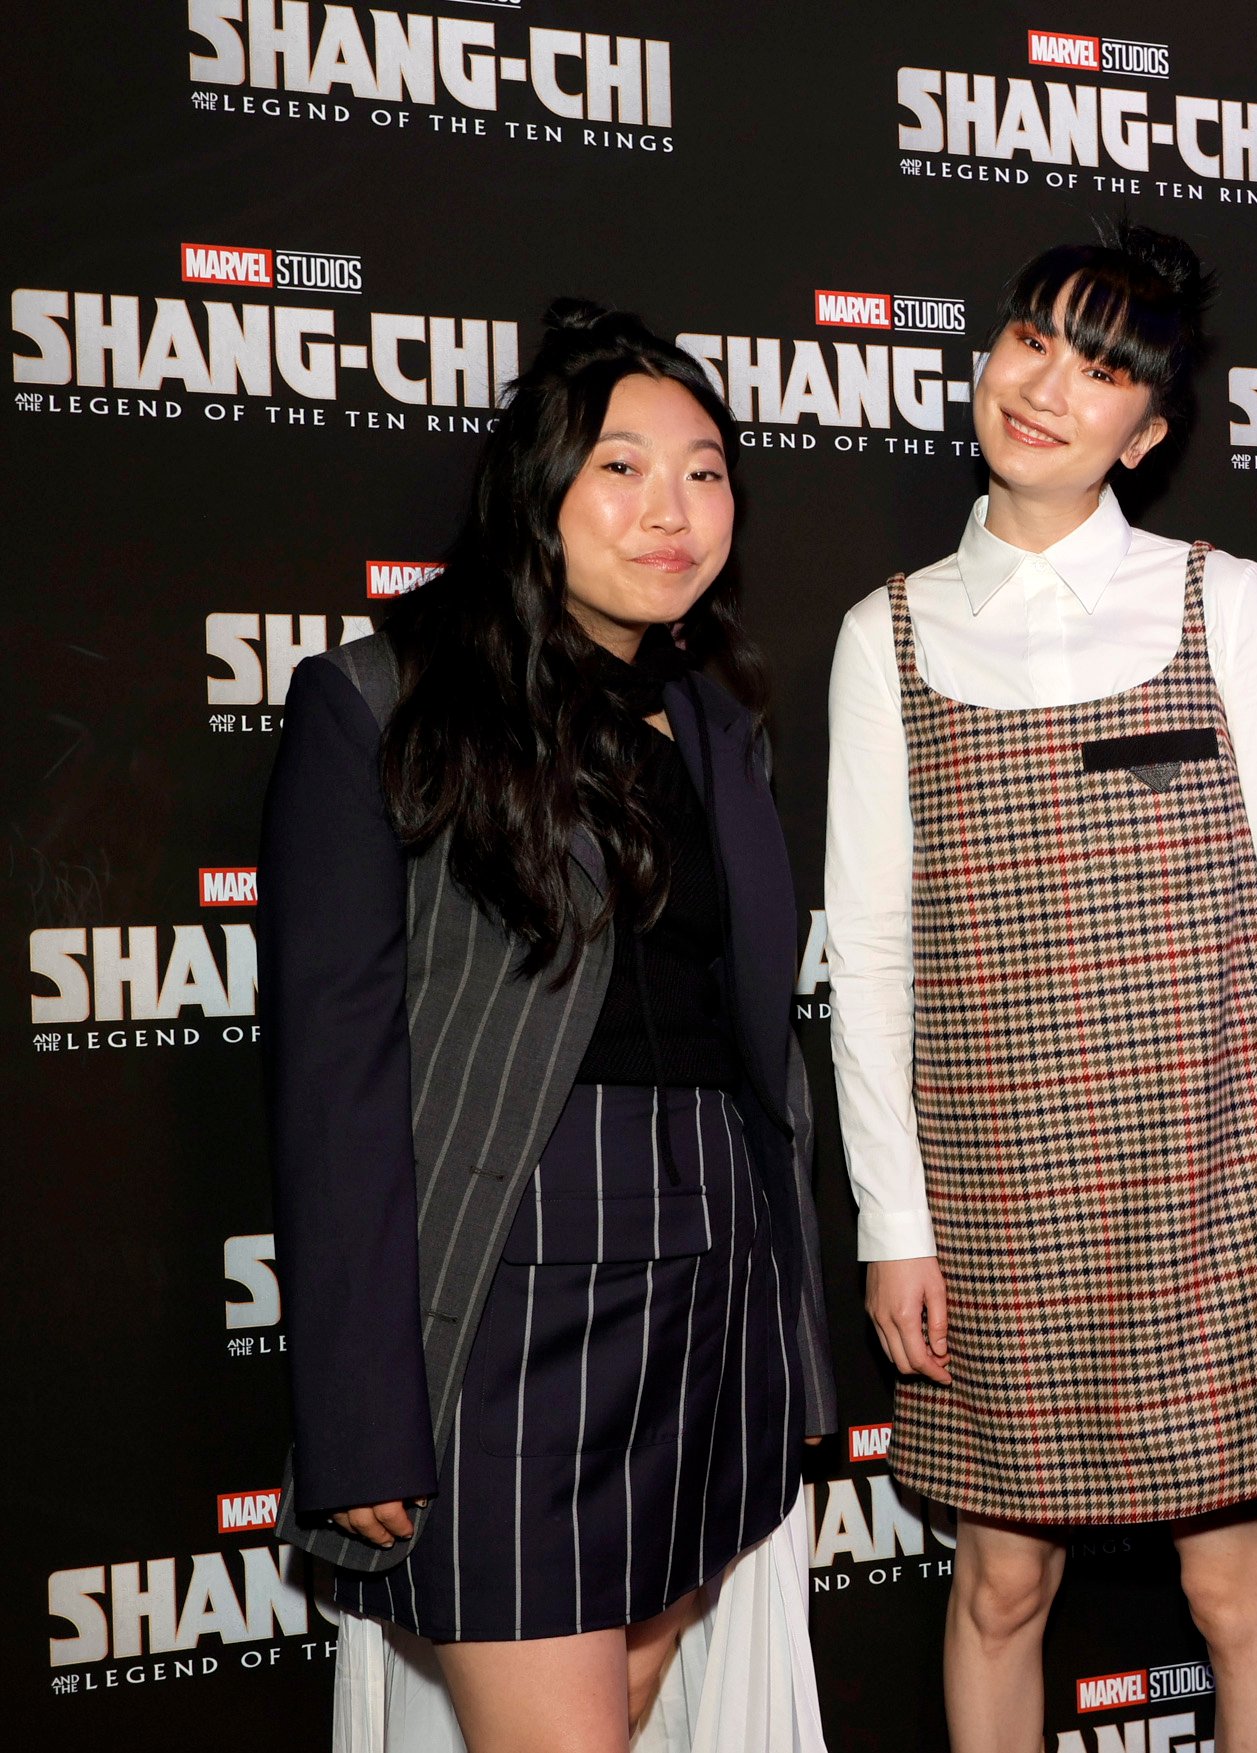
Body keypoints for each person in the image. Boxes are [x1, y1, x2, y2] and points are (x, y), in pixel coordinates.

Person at [823, 223, 1257, 1753]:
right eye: (1033, 341)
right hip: (997, 1189)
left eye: (1103, 368)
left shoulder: (1220, 599)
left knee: (1238, 1587)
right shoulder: (885, 634)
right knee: (1000, 1583)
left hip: (1217, 1170)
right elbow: (869, 956)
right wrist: (895, 1222)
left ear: (1146, 431)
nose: (1048, 387)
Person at [263, 301, 838, 1752]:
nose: (672, 510)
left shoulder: (716, 722)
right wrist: (357, 1413)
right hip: (511, 1295)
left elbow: (753, 1043)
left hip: (716, 1282)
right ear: (540, 496)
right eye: (622, 470)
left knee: (633, 1707)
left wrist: (792, 1334)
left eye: (705, 472)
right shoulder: (382, 700)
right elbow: (334, 1078)